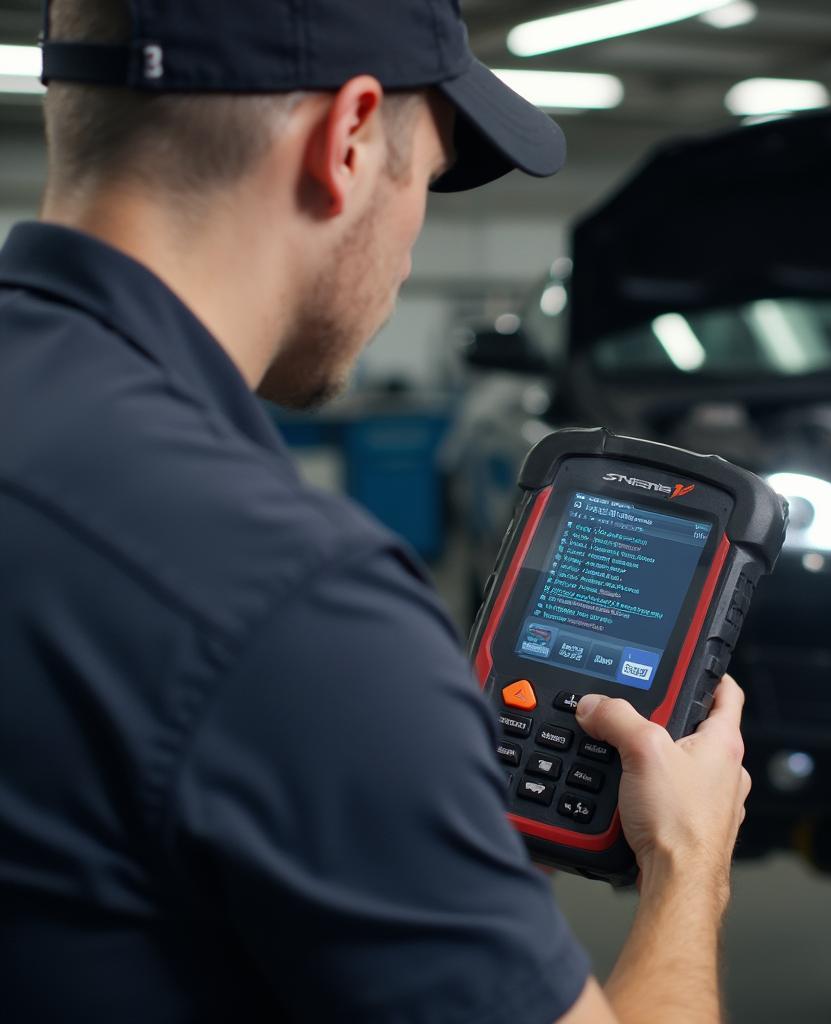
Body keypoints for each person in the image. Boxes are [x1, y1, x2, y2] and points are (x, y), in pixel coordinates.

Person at [0, 1, 751, 1022]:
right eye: (431, 178)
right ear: (347, 140)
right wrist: (686, 860)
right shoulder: (294, 605)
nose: (413, 232)